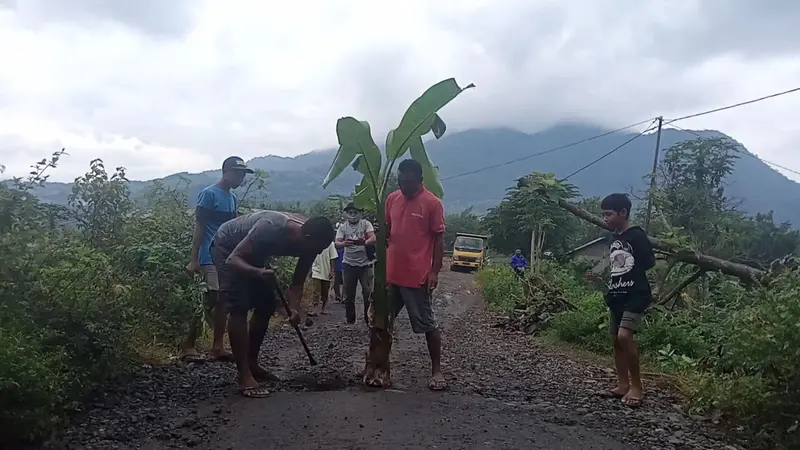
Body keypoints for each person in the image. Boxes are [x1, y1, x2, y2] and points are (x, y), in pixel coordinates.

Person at [210, 210, 335, 398]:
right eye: (317, 249)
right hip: (227, 247)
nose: (318, 253)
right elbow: (232, 260)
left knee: (266, 304)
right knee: (239, 305)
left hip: (254, 255)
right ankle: (243, 374)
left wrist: (293, 309)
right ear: (307, 237)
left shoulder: (312, 244)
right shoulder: (270, 228)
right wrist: (258, 272)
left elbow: (297, 284)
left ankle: (252, 363)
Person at [181, 156, 253, 363]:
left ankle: (217, 346)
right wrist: (194, 259)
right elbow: (200, 227)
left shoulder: (231, 198)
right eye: (238, 174)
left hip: (225, 256)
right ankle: (188, 344)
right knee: (212, 298)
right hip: (208, 254)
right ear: (226, 172)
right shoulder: (209, 195)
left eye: (243, 175)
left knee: (222, 301)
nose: (240, 179)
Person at [385, 159, 447, 391]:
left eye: (409, 182)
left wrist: (434, 271)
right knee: (382, 322)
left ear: (420, 180)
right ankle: (379, 366)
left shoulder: (432, 203)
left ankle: (437, 370)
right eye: (400, 181)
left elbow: (439, 239)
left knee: (427, 324)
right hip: (391, 275)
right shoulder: (392, 198)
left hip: (417, 276)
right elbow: (388, 231)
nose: (404, 186)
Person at [598, 193, 655, 408]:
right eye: (603, 214)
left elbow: (648, 262)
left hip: (635, 294)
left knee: (624, 336)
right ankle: (623, 384)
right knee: (615, 339)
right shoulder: (615, 238)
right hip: (617, 294)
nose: (605, 218)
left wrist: (632, 273)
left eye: (609, 214)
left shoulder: (636, 236)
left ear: (623, 212)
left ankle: (637, 386)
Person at [335, 203, 376, 324]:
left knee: (367, 293)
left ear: (360, 213)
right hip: (349, 264)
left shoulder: (365, 224)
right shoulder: (343, 227)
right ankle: (350, 319)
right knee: (349, 294)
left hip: (365, 264)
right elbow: (337, 242)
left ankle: (368, 318)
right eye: (350, 213)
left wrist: (364, 242)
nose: (353, 215)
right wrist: (345, 244)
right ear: (346, 214)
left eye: (355, 213)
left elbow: (373, 237)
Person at [309, 239, 338, 315]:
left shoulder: (330, 244)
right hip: (316, 269)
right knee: (316, 290)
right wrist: (310, 269)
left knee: (325, 291)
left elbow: (332, 257)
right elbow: (310, 256)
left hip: (326, 270)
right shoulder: (313, 242)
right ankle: (315, 308)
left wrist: (332, 270)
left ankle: (324, 308)